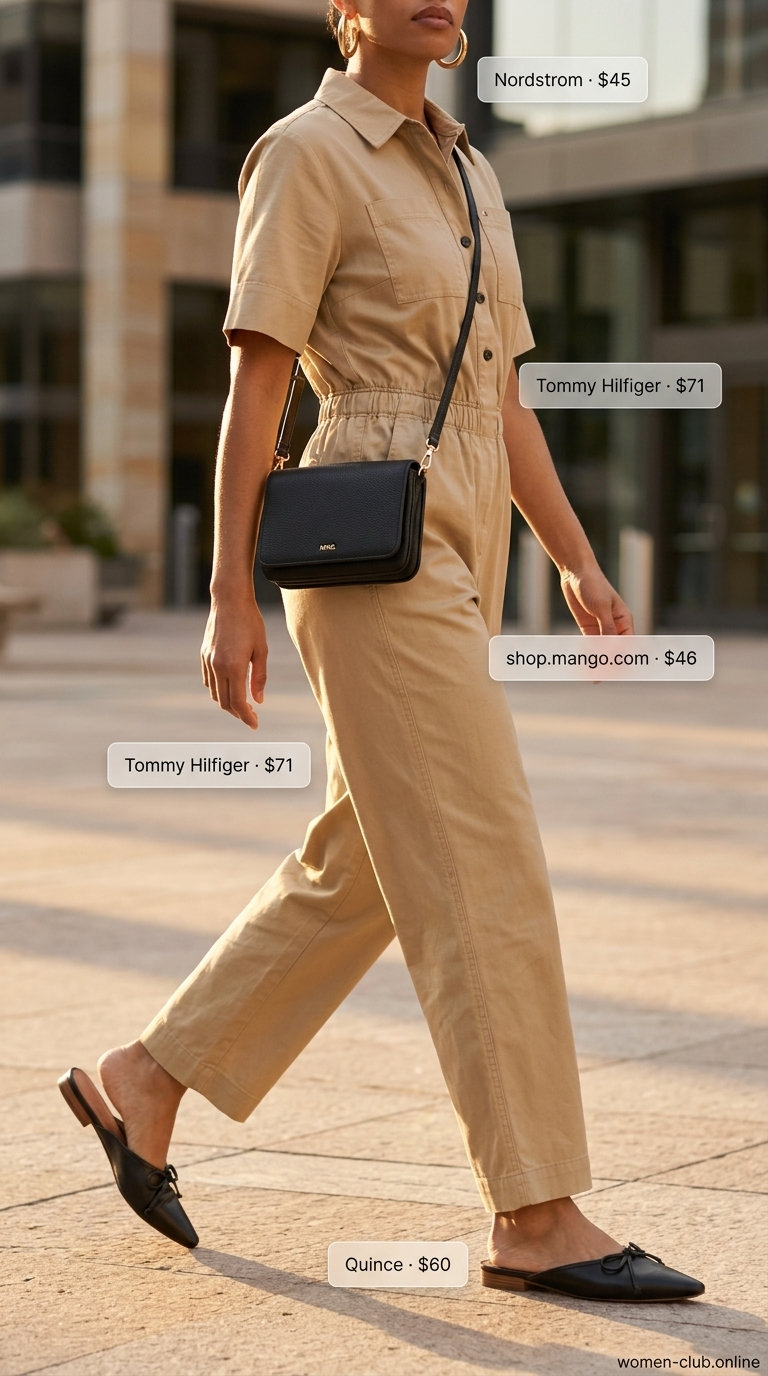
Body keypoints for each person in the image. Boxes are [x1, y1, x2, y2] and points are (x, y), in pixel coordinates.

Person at [59, 0, 704, 1303]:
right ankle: (536, 1213)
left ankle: (146, 1081)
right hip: (369, 539)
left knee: (368, 859)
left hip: (471, 533)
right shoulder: (305, 151)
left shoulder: (471, 173)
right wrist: (228, 590)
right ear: (345, 6)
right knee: (481, 852)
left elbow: (502, 397)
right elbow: (257, 386)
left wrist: (576, 556)